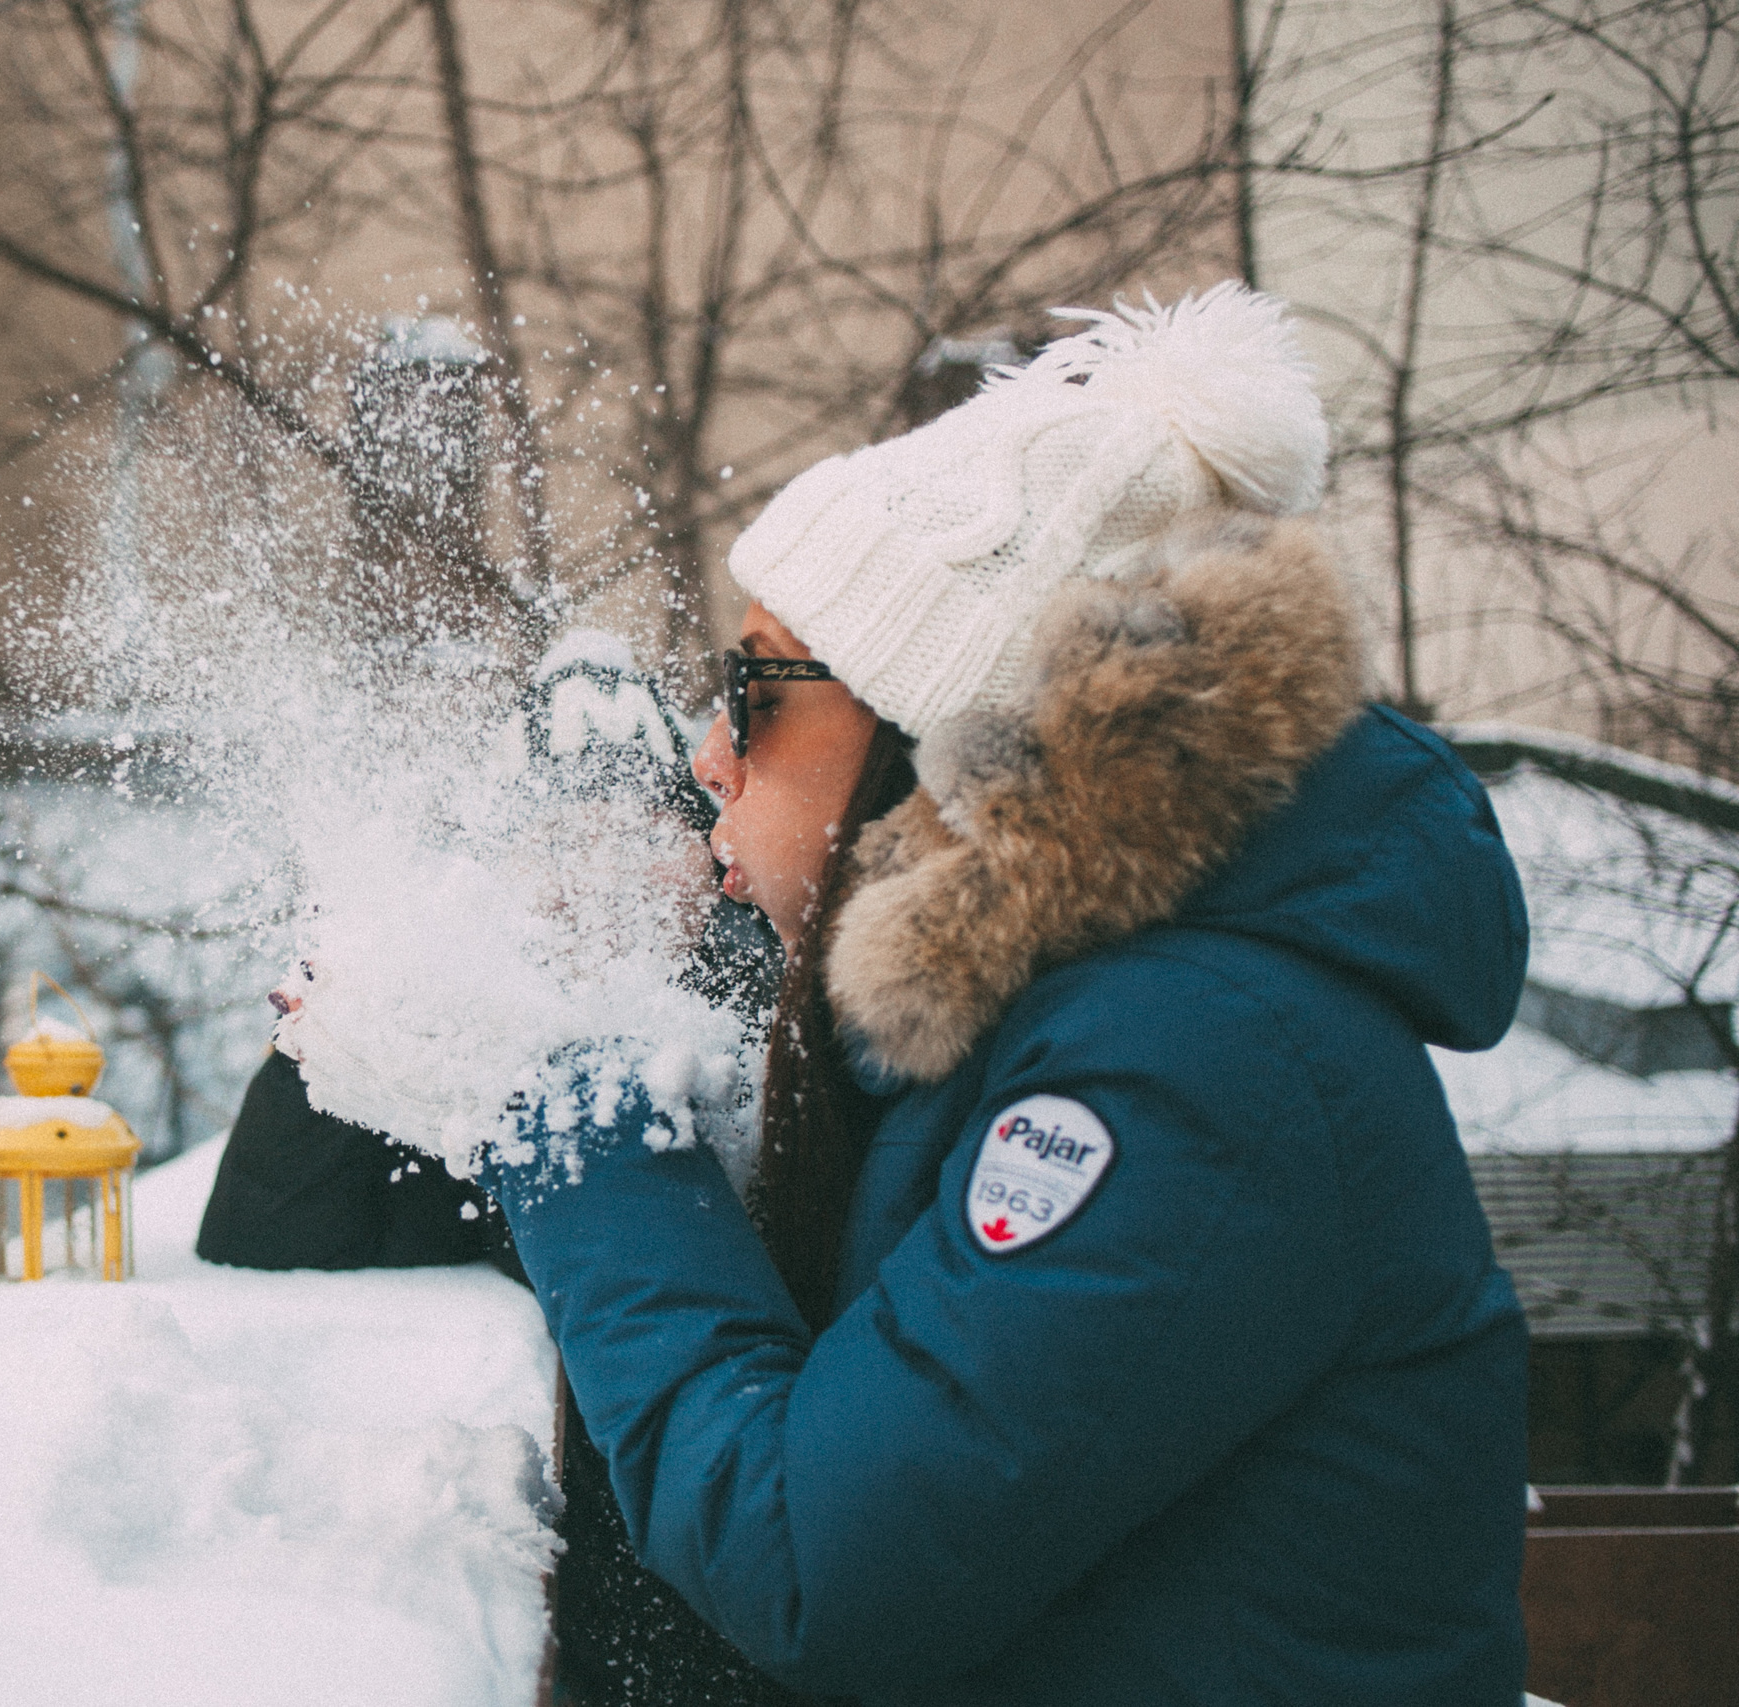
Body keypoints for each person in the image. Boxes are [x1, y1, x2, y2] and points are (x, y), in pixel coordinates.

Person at [313, 284, 1529, 1705]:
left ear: (941, 731)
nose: (711, 748)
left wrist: (563, 1119)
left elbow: (813, 1566)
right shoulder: (1044, 1018)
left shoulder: (1193, 1065)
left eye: (756, 685)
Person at [199, 636, 801, 1705]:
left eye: (642, 830)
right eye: (561, 837)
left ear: (704, 855)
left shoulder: (765, 1005)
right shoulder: (472, 1047)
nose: (601, 870)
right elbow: (271, 1242)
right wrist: (337, 1033)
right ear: (500, 875)